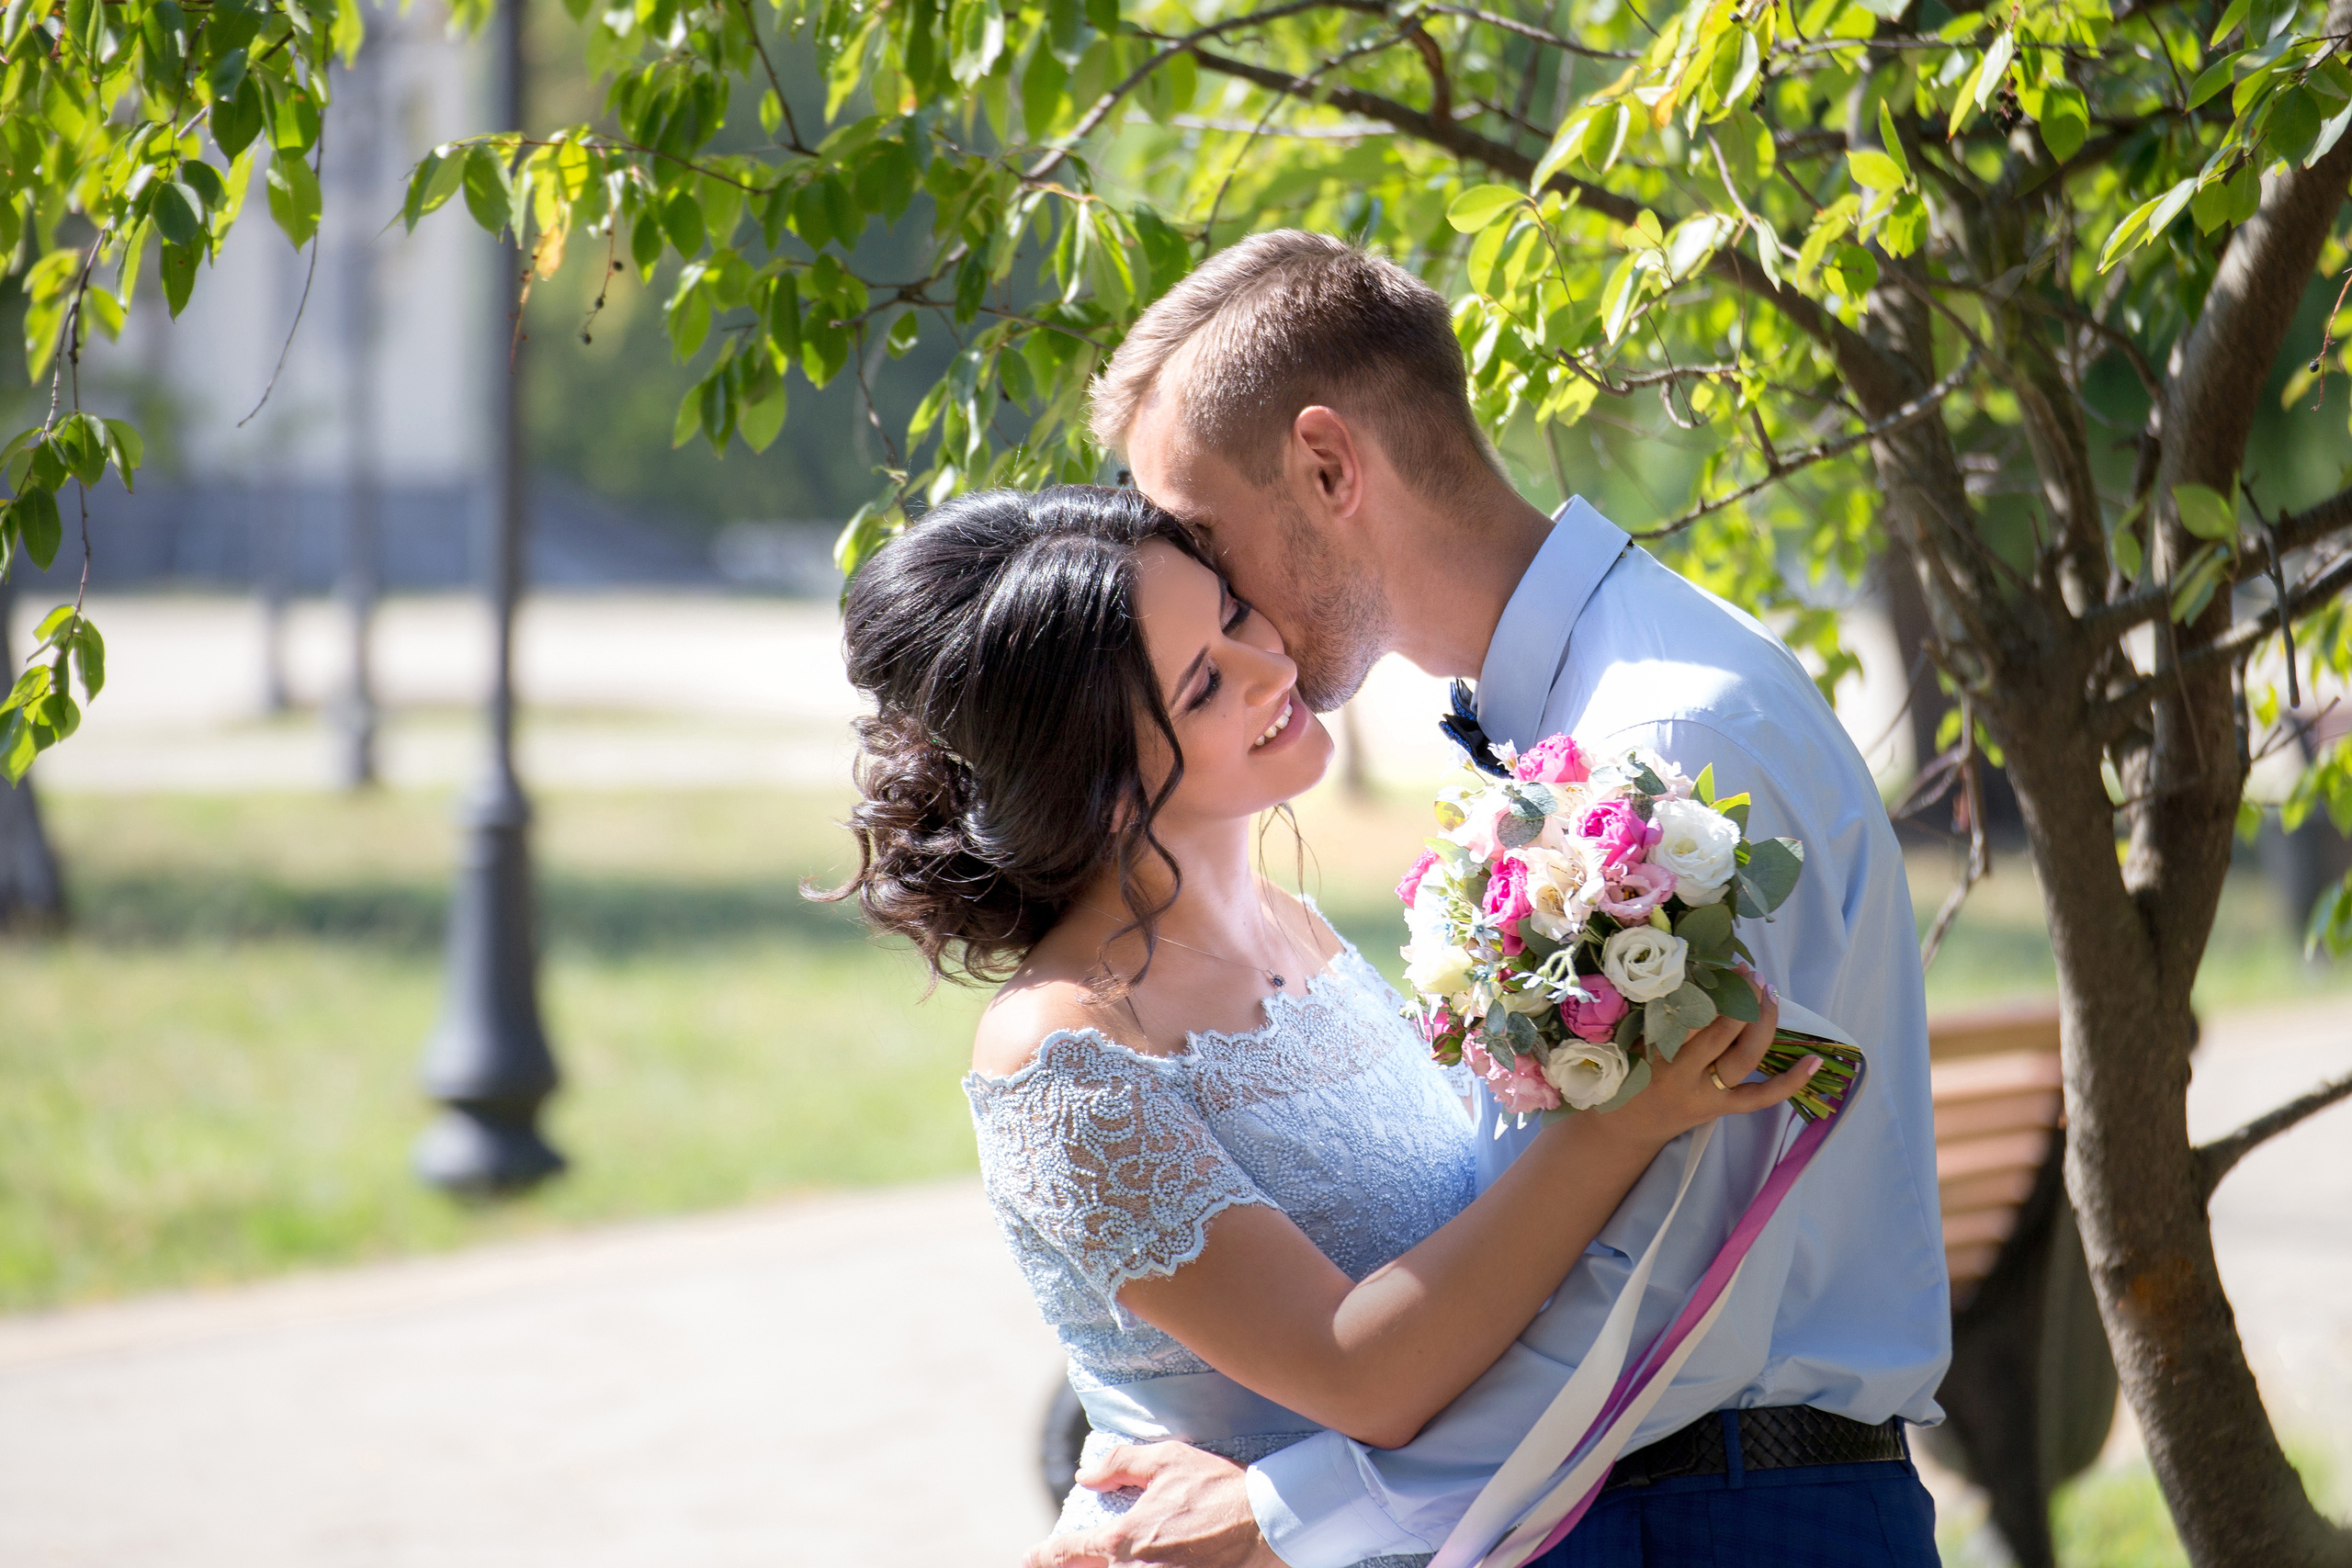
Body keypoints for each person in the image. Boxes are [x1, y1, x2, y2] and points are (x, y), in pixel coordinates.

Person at [1035, 231, 1949, 1567]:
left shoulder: (1669, 748)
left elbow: (1643, 1283)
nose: (1214, 599)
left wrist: (1284, 1510)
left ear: (1330, 465)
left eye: (1209, 538)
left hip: (1714, 1515)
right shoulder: (1591, 711)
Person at [819, 485, 1819, 1559]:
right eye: (1205, 684)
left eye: (1234, 617)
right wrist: (1617, 1127)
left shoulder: (1300, 932)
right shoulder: (1066, 1054)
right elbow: (1363, 1377)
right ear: (1098, 783)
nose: (1272, 672)